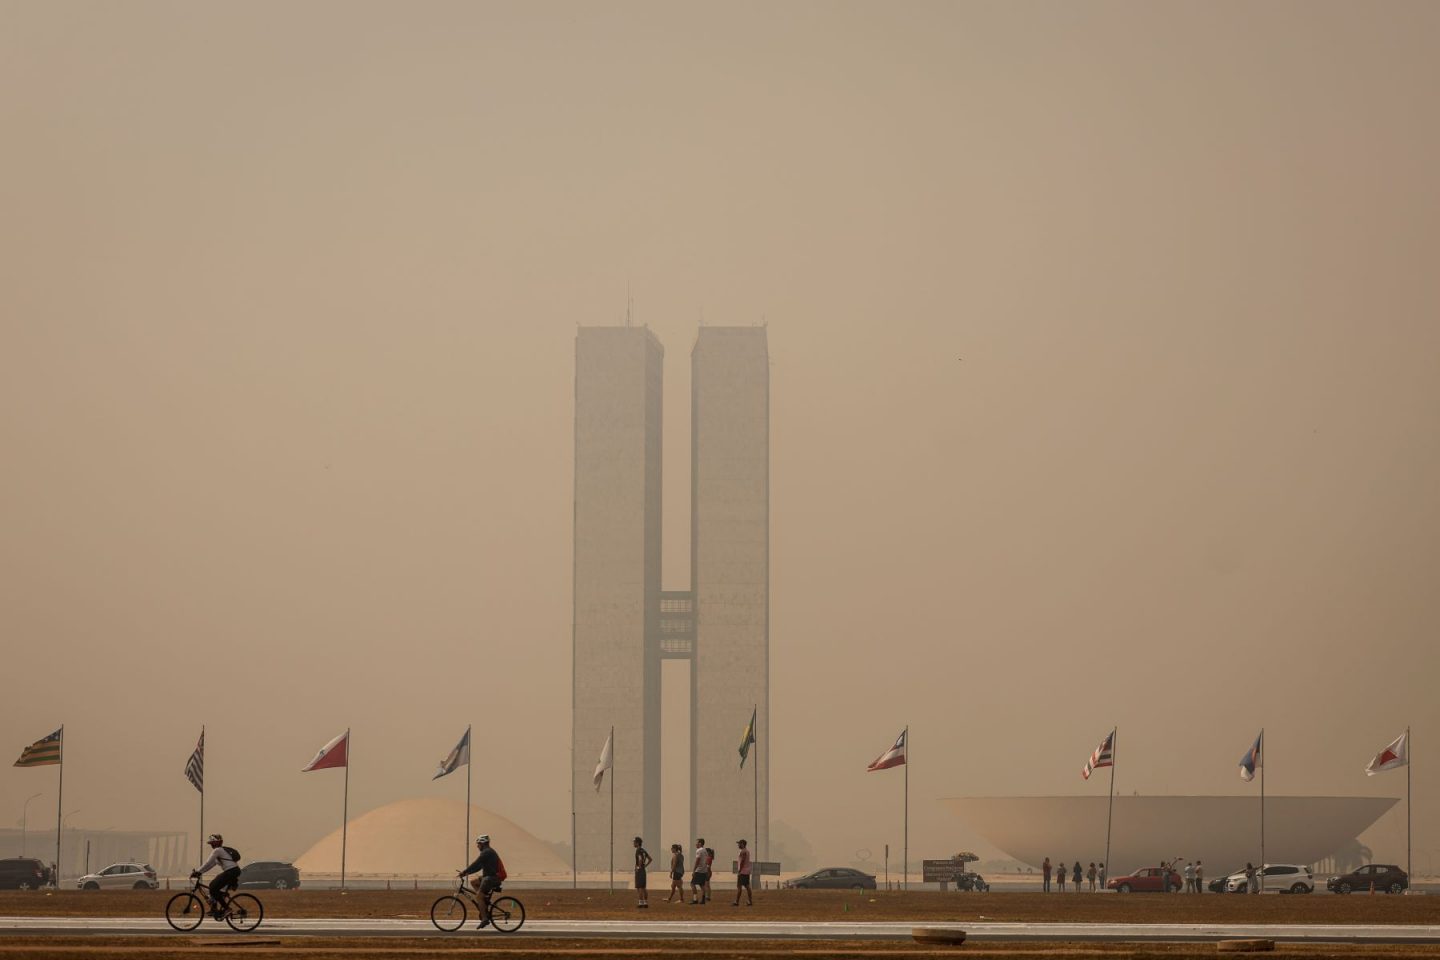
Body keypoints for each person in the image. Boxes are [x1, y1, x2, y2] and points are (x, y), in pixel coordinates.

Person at [191, 834, 242, 919]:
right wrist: (200, 872)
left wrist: (198, 872)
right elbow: (210, 865)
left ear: (215, 843)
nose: (211, 845)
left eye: (212, 843)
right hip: (233, 871)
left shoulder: (217, 850)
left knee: (213, 888)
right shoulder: (220, 852)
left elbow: (208, 862)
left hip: (231, 871)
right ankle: (214, 909)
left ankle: (227, 909)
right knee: (213, 887)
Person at [458, 835, 504, 927]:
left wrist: (464, 872)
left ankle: (484, 919)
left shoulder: (486, 852)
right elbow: (478, 867)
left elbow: (476, 863)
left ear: (483, 844)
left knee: (478, 896)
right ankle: (484, 900)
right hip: (488, 878)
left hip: (491, 879)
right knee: (473, 881)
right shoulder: (487, 852)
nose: (477, 846)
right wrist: (467, 873)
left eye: (478, 844)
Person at [633, 836, 653, 908]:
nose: (633, 843)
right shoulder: (643, 850)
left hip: (640, 870)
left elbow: (640, 859)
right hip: (643, 870)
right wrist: (645, 866)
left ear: (637, 843)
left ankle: (640, 902)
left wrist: (638, 867)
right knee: (643, 887)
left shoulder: (638, 850)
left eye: (634, 842)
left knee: (639, 887)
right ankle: (645, 902)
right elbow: (650, 859)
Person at [690, 838, 711, 904]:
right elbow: (707, 860)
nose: (696, 844)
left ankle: (695, 899)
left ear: (700, 843)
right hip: (704, 870)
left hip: (699, 870)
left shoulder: (699, 850)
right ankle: (703, 900)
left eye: (697, 842)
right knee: (702, 885)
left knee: (692, 884)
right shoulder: (705, 850)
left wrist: (694, 870)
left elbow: (697, 860)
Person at [733, 839, 753, 906]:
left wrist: (739, 870)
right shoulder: (746, 851)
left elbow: (742, 861)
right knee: (747, 886)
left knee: (739, 887)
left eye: (739, 844)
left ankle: (737, 901)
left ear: (743, 844)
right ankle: (750, 901)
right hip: (746, 871)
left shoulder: (743, 852)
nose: (738, 845)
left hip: (743, 872)